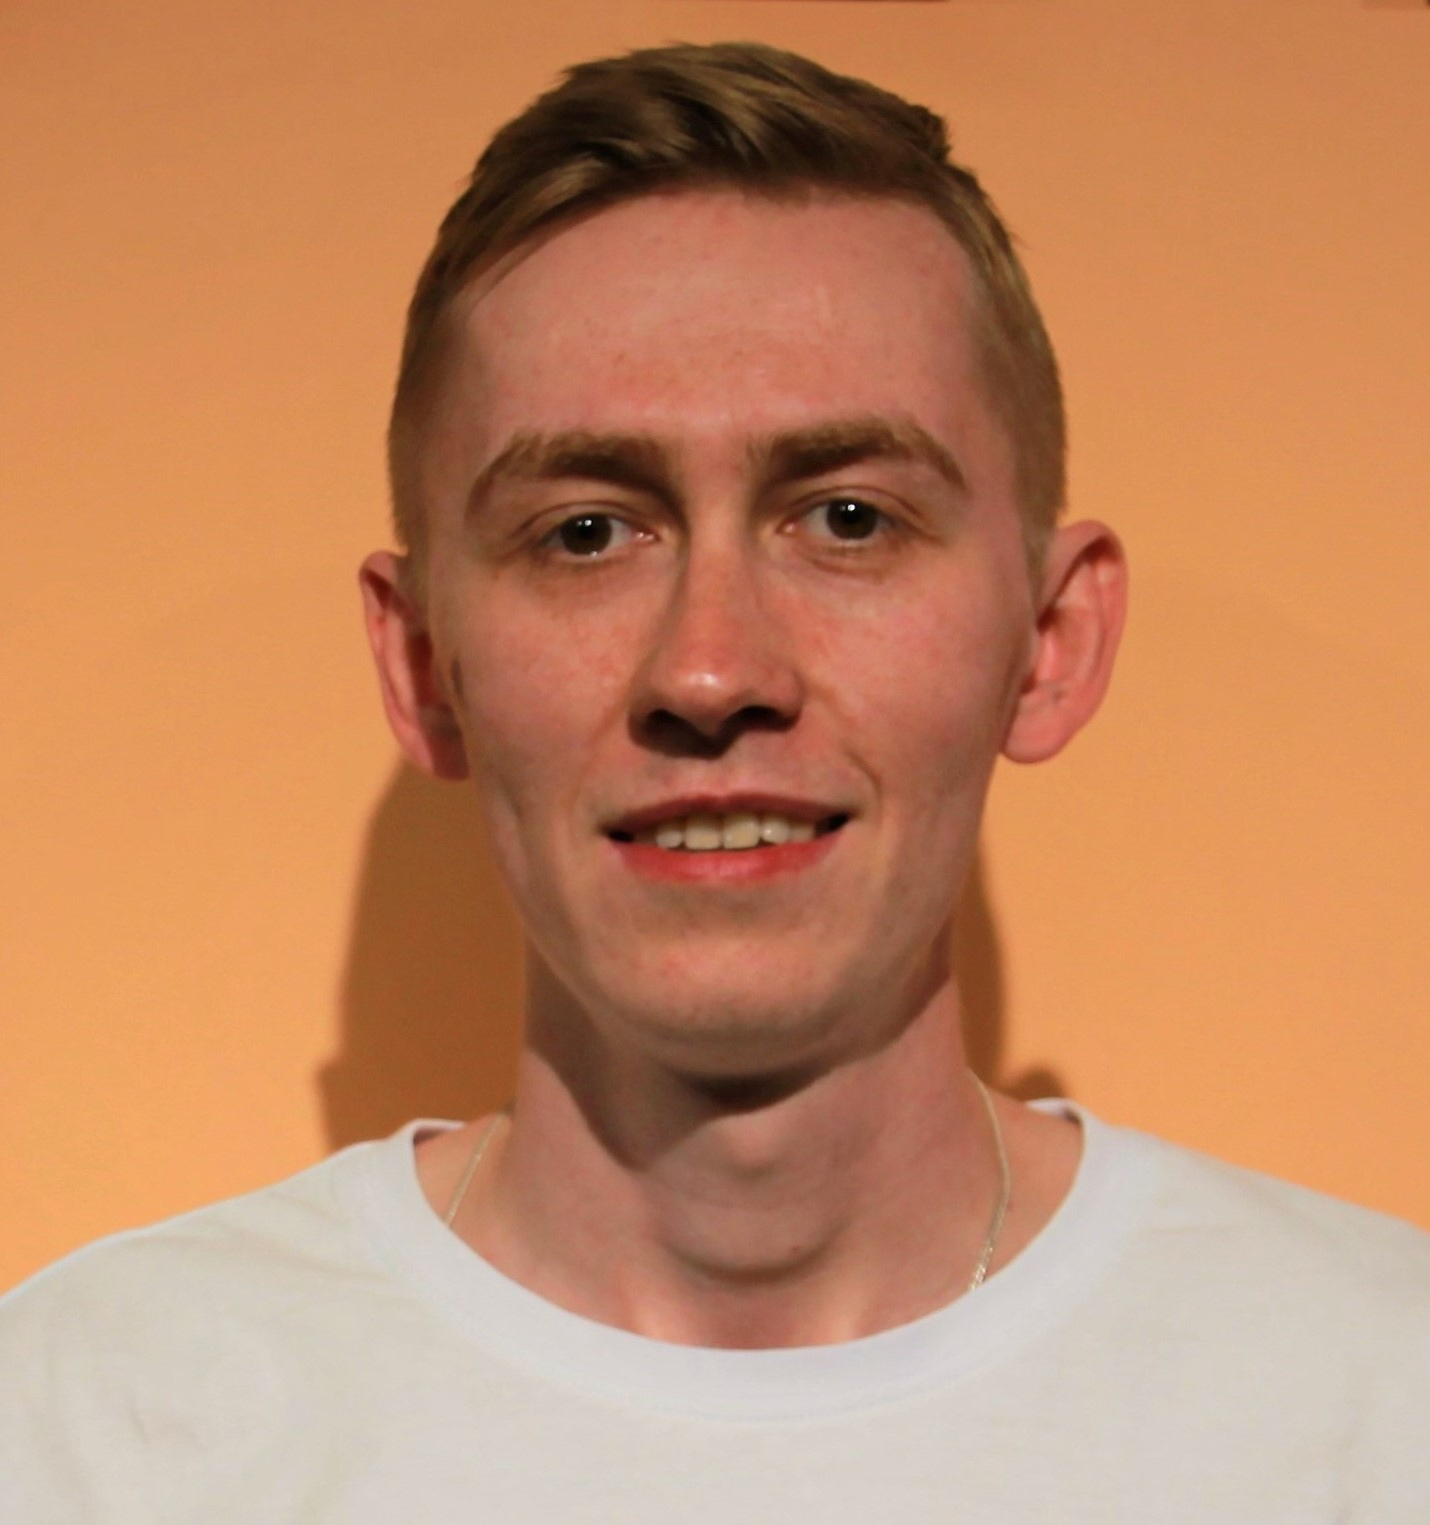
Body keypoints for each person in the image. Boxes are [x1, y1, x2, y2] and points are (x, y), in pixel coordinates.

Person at [2, 40, 1428, 1522]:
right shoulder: (88, 1434)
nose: (709, 670)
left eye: (850, 518)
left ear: (1051, 641)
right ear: (423, 663)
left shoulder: (1383, 1407)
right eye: (586, 533)